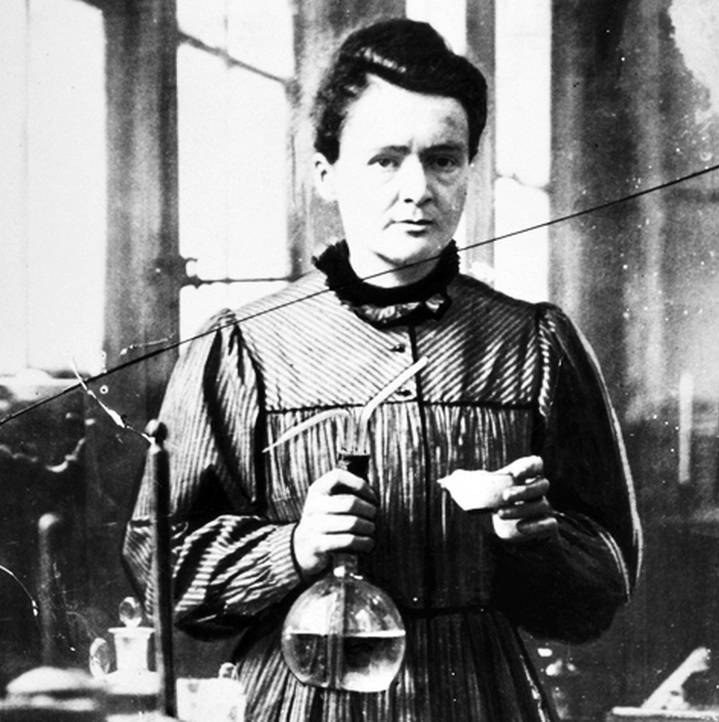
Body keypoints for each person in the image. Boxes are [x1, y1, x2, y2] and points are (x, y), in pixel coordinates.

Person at [123, 18, 641, 721]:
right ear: (325, 173)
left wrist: (537, 540)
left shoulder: (536, 343)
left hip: (478, 697)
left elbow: (607, 582)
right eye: (385, 160)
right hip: (304, 699)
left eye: (444, 159)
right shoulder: (243, 346)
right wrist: (293, 547)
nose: (418, 188)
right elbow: (161, 564)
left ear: (469, 170)